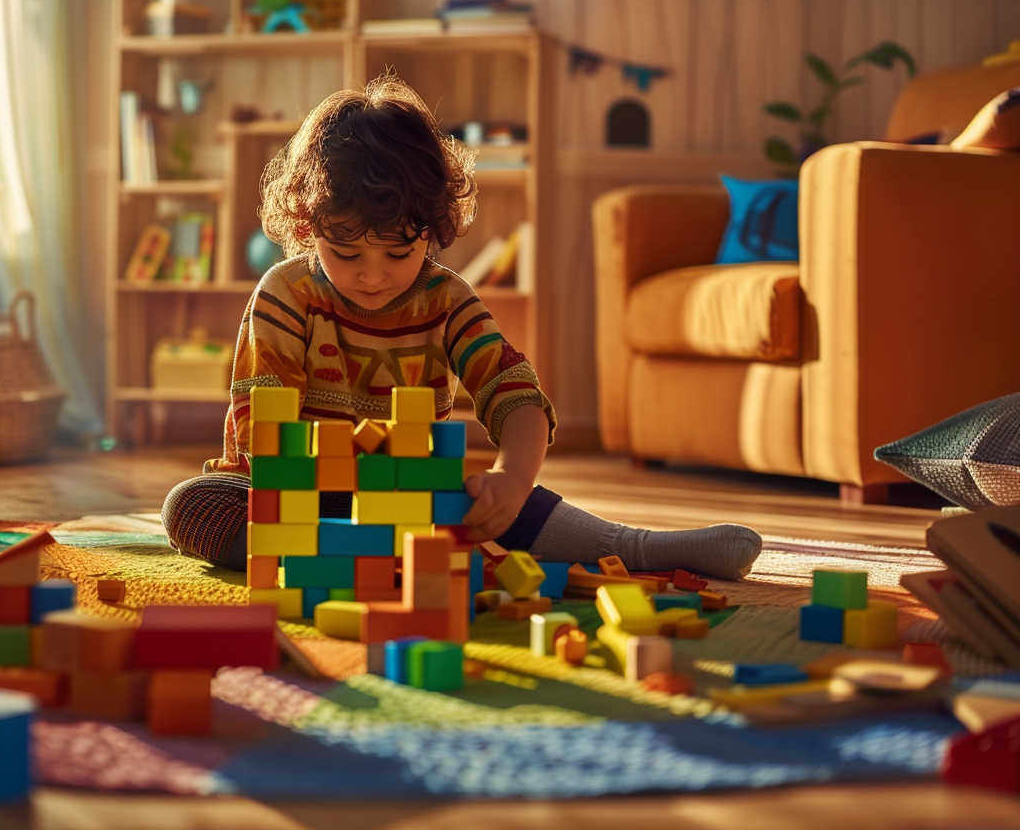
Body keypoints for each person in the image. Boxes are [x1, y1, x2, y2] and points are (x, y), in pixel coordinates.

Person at [161, 75, 762, 581]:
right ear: (307, 224)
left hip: (409, 497)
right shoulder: (286, 293)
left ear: (433, 226)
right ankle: (359, 553)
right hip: (289, 495)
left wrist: (511, 480)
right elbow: (263, 432)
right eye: (347, 255)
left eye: (399, 255)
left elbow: (515, 394)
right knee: (191, 506)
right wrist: (336, 489)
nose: (373, 278)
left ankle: (635, 548)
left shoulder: (447, 299)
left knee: (499, 504)